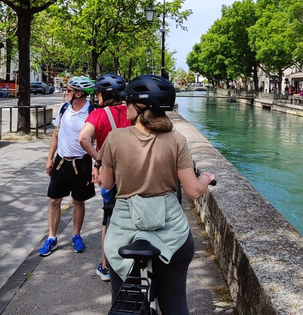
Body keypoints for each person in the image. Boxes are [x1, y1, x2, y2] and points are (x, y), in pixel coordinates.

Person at [98, 75, 215, 315]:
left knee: (124, 302)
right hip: (171, 231)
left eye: (129, 102)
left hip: (125, 230)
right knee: (174, 302)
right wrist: (206, 178)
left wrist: (101, 172)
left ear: (140, 107)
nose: (126, 106)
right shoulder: (176, 140)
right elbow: (193, 191)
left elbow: (107, 183)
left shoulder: (115, 138)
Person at [77, 73, 131, 281]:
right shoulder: (133, 111)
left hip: (109, 172)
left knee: (109, 216)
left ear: (105, 94)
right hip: (133, 171)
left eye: (97, 92)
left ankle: (106, 264)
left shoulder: (98, 115)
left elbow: (83, 138)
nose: (96, 96)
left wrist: (98, 158)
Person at [39, 75, 96, 257]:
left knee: (79, 200)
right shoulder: (64, 108)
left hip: (82, 163)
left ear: (79, 94)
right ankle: (51, 237)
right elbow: (56, 134)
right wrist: (50, 159)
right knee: (54, 200)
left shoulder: (92, 112)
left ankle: (76, 235)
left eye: (70, 90)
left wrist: (98, 166)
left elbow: (99, 140)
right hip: (61, 161)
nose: (66, 92)